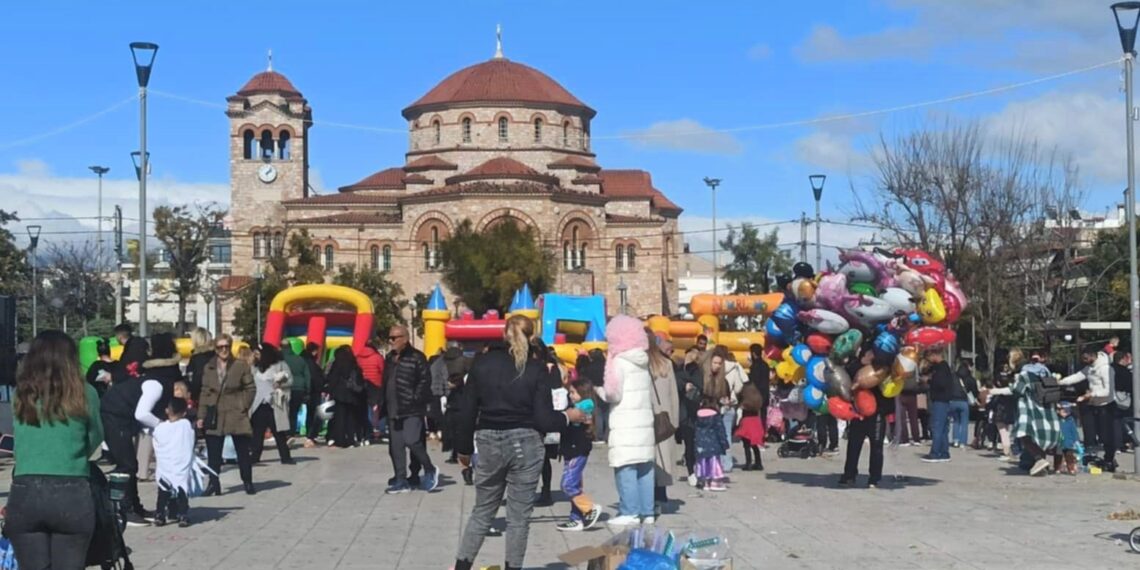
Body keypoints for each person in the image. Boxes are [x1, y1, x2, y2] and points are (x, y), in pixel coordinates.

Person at [452, 315, 585, 570]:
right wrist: (569, 416)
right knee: (518, 517)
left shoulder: (481, 364)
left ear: (504, 334)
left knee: (482, 510)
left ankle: (462, 566)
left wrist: (464, 450)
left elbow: (466, 410)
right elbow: (545, 420)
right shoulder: (535, 368)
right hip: (525, 442)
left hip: (489, 438)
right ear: (531, 336)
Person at [7, 330, 104, 569]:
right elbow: (95, 436)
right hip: (72, 490)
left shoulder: (21, 393)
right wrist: (73, 455)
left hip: (25, 488)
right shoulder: (85, 392)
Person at [598, 315, 656, 528]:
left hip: (625, 421)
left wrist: (599, 392)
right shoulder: (642, 360)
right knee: (644, 467)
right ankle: (647, 511)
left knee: (625, 466)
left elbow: (614, 393)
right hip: (643, 421)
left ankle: (630, 510)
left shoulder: (619, 361)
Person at [99, 336, 155, 525]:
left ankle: (134, 505)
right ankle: (122, 507)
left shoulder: (125, 368)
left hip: (123, 418)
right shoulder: (129, 370)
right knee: (127, 465)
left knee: (130, 464)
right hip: (115, 417)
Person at [199, 334, 258, 495]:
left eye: (226, 346)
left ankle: (247, 481)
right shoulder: (209, 367)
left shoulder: (240, 365)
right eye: (220, 347)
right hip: (215, 412)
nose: (223, 350)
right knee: (213, 452)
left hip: (235, 411)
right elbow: (204, 392)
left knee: (243, 451)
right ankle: (213, 483)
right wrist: (201, 415)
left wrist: (243, 405)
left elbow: (250, 388)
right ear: (215, 349)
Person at [383, 325, 438, 494]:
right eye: (390, 338)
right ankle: (401, 479)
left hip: (412, 408)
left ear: (405, 339)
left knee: (412, 440)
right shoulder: (389, 359)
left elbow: (424, 381)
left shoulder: (417, 357)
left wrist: (416, 398)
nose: (391, 341)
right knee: (396, 446)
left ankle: (429, 469)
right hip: (393, 408)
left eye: (395, 337)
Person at [987, 349, 1060, 476]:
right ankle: (1041, 464)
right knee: (1039, 437)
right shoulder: (1046, 373)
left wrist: (993, 391)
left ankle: (1039, 460)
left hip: (1029, 410)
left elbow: (1015, 390)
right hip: (1048, 410)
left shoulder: (1025, 374)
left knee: (1024, 435)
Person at [1059, 347, 1118, 471]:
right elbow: (1078, 376)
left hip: (1106, 405)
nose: (1084, 361)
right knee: (1090, 432)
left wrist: (1090, 395)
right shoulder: (1089, 368)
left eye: (1086, 358)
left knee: (1106, 436)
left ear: (1092, 355)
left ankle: (1109, 459)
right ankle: (1091, 456)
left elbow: (1108, 391)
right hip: (1093, 404)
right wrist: (1060, 382)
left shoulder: (1106, 369)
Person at [555, 379, 602, 532]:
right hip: (571, 449)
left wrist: (566, 413)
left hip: (577, 449)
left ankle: (589, 508)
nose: (571, 395)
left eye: (574, 392)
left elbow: (584, 408)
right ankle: (576, 518)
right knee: (575, 485)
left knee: (567, 484)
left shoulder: (586, 406)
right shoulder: (574, 406)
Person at [840, 348, 889, 488]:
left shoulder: (883, 367)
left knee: (877, 446)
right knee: (854, 444)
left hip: (877, 411)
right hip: (858, 410)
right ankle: (849, 474)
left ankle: (874, 478)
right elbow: (848, 374)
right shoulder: (855, 365)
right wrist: (860, 362)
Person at [138, 332, 183, 482]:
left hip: (151, 404)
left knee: (146, 437)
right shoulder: (173, 365)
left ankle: (142, 471)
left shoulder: (148, 365)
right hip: (168, 403)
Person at [647, 332, 679, 511]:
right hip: (665, 419)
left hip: (646, 417)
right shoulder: (666, 363)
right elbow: (673, 394)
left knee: (648, 460)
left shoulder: (639, 365)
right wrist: (674, 421)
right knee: (662, 459)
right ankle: (661, 496)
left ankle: (648, 498)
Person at [153, 397, 196, 527]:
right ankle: (183, 514)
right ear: (184, 413)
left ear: (167, 410)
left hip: (164, 462)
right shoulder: (186, 425)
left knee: (163, 489)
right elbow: (190, 441)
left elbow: (156, 443)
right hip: (180, 462)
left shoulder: (159, 428)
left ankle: (160, 514)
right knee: (182, 487)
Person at [250, 343, 294, 464]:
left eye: (258, 354)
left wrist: (280, 383)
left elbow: (290, 380)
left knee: (278, 431)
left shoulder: (280, 365)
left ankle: (285, 457)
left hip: (275, 403)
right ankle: (255, 456)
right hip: (259, 403)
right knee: (258, 432)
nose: (256, 356)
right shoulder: (254, 367)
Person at [694, 353, 731, 492]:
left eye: (719, 363)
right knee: (710, 450)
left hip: (715, 413)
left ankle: (706, 478)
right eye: (715, 363)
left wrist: (725, 402)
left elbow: (725, 396)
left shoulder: (723, 381)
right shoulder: (702, 378)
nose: (717, 366)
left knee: (708, 450)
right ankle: (710, 478)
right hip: (706, 414)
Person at [325, 346, 365, 448]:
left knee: (339, 418)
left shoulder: (337, 363)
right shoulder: (353, 363)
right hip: (352, 394)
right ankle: (351, 439)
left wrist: (329, 391)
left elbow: (332, 378)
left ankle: (340, 439)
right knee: (350, 417)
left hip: (339, 394)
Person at [920, 349, 955, 463]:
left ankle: (935, 453)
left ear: (935, 355)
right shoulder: (942, 367)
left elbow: (941, 383)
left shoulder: (941, 368)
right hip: (944, 400)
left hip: (940, 400)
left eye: (929, 357)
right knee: (943, 428)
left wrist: (929, 380)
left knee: (937, 427)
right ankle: (944, 452)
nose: (929, 360)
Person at [676, 347, 703, 485]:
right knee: (688, 441)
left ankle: (692, 471)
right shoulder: (679, 368)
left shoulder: (697, 370)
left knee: (691, 443)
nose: (694, 356)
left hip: (693, 410)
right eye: (692, 353)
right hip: (680, 409)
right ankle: (690, 470)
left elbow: (700, 385)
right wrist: (684, 384)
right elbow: (675, 382)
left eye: (696, 354)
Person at [734, 367, 766, 472]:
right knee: (754, 444)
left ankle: (748, 463)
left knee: (746, 444)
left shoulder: (745, 392)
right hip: (755, 420)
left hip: (747, 420)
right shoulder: (756, 393)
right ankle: (758, 462)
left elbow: (739, 403)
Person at [356, 337, 386, 444]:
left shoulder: (358, 357)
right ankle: (379, 429)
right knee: (379, 408)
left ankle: (367, 428)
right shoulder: (377, 357)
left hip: (363, 385)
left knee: (366, 408)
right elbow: (383, 370)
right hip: (376, 384)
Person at [283, 342, 311, 441]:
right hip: (299, 388)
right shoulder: (300, 359)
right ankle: (291, 432)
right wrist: (307, 389)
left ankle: (284, 432)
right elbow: (307, 375)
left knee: (283, 411)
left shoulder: (281, 359)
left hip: (284, 387)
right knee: (294, 412)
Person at [949, 357, 978, 448]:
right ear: (968, 366)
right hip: (963, 401)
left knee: (956, 421)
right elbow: (974, 391)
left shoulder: (953, 376)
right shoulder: (970, 378)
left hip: (953, 401)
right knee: (964, 422)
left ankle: (955, 440)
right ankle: (962, 442)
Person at [302, 342, 327, 447]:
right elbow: (316, 378)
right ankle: (311, 435)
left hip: (305, 390)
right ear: (314, 351)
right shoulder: (311, 363)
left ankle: (309, 434)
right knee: (316, 414)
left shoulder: (302, 360)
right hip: (314, 391)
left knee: (309, 413)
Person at [747, 343, 771, 437]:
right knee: (763, 416)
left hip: (756, 395)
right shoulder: (765, 365)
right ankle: (762, 435)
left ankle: (756, 436)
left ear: (753, 354)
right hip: (765, 394)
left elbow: (754, 381)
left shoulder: (755, 366)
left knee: (755, 417)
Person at [1112, 351, 1134, 453]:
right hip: (1125, 400)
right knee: (1126, 421)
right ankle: (1126, 442)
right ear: (1122, 359)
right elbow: (1130, 386)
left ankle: (1117, 444)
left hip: (1111, 398)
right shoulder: (1125, 372)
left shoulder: (1110, 369)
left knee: (1114, 422)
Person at [185, 327, 214, 403]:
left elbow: (196, 378)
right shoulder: (215, 356)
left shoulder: (197, 358)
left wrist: (192, 394)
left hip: (201, 397)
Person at [1054, 402, 1080, 475]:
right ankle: (1057, 468)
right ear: (1058, 411)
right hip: (1059, 441)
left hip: (1069, 442)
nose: (1065, 413)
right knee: (1058, 456)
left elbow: (1074, 431)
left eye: (1067, 411)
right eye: (1063, 411)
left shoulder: (1071, 420)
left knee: (1069, 456)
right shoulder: (1056, 419)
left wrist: (1076, 440)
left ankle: (1071, 468)